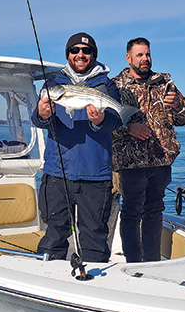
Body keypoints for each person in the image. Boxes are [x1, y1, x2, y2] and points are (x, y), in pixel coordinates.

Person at [32, 32, 122, 262]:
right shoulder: (53, 83)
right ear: (68, 54)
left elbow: (115, 121)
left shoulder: (106, 85)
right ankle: (48, 279)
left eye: (86, 51)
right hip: (57, 171)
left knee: (94, 236)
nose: (80, 55)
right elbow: (38, 119)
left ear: (93, 55)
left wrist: (100, 121)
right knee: (54, 233)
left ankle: (96, 283)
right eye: (75, 50)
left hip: (95, 174)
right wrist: (42, 115)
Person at [112, 37, 185, 262]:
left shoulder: (164, 84)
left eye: (147, 54)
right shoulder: (116, 86)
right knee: (131, 213)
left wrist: (178, 104)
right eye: (139, 55)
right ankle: (133, 262)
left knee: (155, 211)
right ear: (129, 58)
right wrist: (128, 129)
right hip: (131, 163)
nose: (145, 59)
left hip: (160, 161)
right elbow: (104, 125)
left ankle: (151, 262)